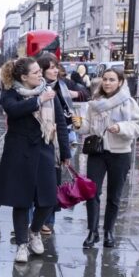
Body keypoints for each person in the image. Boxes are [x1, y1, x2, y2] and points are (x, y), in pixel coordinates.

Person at [0, 57, 72, 264]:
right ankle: (21, 244)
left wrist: (65, 152)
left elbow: (61, 123)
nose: (40, 74)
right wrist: (38, 100)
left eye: (40, 71)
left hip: (44, 150)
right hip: (18, 152)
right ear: (24, 77)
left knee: (48, 200)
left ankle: (35, 231)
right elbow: (13, 110)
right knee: (21, 201)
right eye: (36, 72)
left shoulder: (48, 92)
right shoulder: (10, 93)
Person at [75, 66, 139, 248]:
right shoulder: (95, 103)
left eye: (112, 79)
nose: (107, 83)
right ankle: (92, 232)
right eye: (105, 79)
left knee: (114, 196)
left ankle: (109, 231)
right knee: (92, 193)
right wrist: (79, 124)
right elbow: (87, 127)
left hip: (120, 153)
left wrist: (121, 128)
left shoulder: (128, 102)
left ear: (120, 82)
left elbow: (138, 127)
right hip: (97, 152)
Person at [36, 54, 78, 235]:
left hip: (56, 141)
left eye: (56, 67)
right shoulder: (35, 89)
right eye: (51, 68)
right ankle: (35, 221)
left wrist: (66, 153)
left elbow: (84, 92)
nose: (55, 71)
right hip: (37, 140)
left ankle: (47, 221)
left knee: (53, 181)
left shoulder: (61, 86)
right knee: (36, 185)